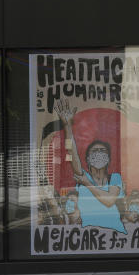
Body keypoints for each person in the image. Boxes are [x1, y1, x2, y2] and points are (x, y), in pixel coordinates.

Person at [55, 99, 127, 234]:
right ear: (87, 159)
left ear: (108, 159)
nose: (98, 154)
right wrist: (67, 127)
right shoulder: (83, 176)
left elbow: (109, 201)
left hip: (115, 235)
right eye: (95, 151)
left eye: (102, 151)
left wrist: (87, 183)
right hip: (89, 237)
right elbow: (71, 151)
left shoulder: (115, 178)